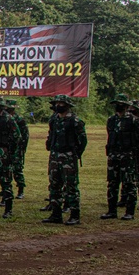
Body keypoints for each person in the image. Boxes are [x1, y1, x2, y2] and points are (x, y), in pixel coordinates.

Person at [42, 95, 87, 225]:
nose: (58, 105)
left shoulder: (75, 121)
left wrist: (76, 153)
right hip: (55, 155)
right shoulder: (54, 120)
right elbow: (51, 135)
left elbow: (83, 139)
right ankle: (56, 214)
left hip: (68, 156)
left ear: (67, 105)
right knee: (54, 185)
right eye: (57, 103)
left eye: (61, 103)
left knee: (71, 186)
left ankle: (74, 215)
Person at [102, 94, 139, 220]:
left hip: (128, 156)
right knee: (112, 183)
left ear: (126, 106)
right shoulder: (111, 120)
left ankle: (129, 212)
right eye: (116, 104)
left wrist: (135, 155)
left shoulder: (134, 121)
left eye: (120, 104)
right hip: (113, 156)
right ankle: (111, 211)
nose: (118, 106)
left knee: (129, 184)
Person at [6, 100, 29, 199]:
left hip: (17, 148)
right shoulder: (5, 118)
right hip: (6, 147)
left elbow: (25, 135)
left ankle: (21, 190)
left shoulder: (19, 119)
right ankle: (5, 189)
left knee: (17, 169)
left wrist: (22, 148)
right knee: (5, 169)